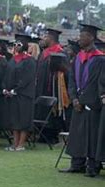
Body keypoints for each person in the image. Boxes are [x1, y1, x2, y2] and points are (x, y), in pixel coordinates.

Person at [61, 24, 104, 177]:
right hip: (78, 102)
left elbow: (98, 83)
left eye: (83, 36)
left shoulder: (100, 59)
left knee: (93, 136)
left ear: (91, 37)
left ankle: (93, 166)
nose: (79, 39)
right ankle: (76, 163)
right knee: (77, 134)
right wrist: (74, 99)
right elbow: (72, 80)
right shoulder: (77, 58)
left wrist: (85, 101)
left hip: (92, 104)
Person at [2, 34, 37, 151]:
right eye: (14, 45)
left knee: (23, 120)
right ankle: (14, 143)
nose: (16, 47)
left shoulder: (30, 61)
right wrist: (6, 88)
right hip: (13, 95)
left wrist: (15, 90)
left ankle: (21, 144)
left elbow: (27, 78)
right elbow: (7, 76)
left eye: (19, 44)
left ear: (25, 46)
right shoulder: (12, 59)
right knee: (14, 120)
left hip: (24, 95)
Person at [36, 28, 70, 144]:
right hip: (42, 86)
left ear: (51, 39)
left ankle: (52, 135)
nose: (43, 39)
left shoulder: (60, 52)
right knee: (42, 110)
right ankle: (43, 134)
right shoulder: (44, 53)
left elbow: (66, 71)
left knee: (53, 112)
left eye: (45, 37)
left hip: (54, 87)